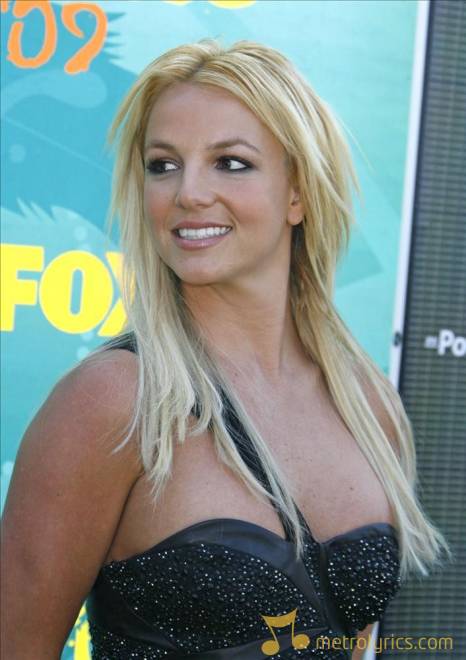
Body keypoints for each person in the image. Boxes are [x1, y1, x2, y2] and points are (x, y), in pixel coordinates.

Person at [1, 39, 451, 660]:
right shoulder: (114, 402)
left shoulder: (368, 405)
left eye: (230, 163)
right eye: (163, 165)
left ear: (297, 193)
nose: (188, 192)